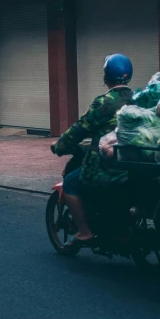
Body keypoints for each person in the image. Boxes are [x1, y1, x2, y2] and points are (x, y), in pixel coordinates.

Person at [50, 54, 134, 247]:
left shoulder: (104, 102)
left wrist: (59, 146)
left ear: (106, 77)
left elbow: (80, 128)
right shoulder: (137, 99)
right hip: (132, 163)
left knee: (71, 182)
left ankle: (84, 231)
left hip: (107, 165)